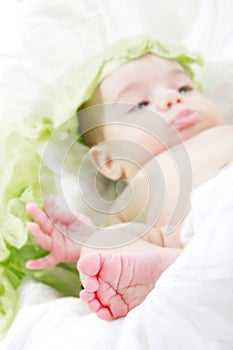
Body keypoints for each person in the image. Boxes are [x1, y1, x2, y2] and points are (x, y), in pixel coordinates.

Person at [26, 36, 233, 321]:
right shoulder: (133, 195)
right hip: (193, 250)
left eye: (184, 87)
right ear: (109, 161)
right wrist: (83, 243)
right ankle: (157, 272)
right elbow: (116, 243)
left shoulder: (224, 133)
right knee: (103, 243)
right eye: (140, 105)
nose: (171, 98)